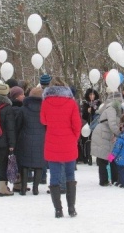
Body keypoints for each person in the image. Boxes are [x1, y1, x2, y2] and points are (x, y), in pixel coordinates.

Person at [40, 77, 81, 218]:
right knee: (70, 175)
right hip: (69, 141)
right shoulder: (71, 103)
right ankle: (71, 208)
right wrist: (74, 138)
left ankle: (58, 209)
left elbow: (43, 120)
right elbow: (77, 125)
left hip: (52, 141)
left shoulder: (45, 102)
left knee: (54, 177)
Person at [16, 87, 46, 196]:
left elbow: (18, 125)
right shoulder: (45, 109)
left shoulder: (23, 109)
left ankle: (23, 188)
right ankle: (35, 188)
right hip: (41, 138)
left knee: (24, 164)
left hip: (25, 138)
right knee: (39, 164)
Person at [91, 89, 122, 187]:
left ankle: (113, 178)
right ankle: (104, 180)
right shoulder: (111, 108)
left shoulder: (112, 108)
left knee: (110, 157)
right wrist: (119, 134)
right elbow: (112, 124)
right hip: (103, 134)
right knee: (103, 158)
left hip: (107, 135)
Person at [81, 88, 101, 165]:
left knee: (98, 142)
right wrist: (87, 111)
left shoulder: (98, 103)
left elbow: (100, 112)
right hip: (89, 125)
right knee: (89, 141)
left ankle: (99, 159)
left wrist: (93, 110)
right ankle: (88, 157)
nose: (92, 96)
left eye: (93, 94)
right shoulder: (86, 104)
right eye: (90, 95)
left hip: (97, 125)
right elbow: (84, 116)